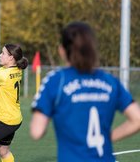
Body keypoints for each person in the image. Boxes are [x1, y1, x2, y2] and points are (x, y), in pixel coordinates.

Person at [30, 21, 140, 162]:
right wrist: (107, 137)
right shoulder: (110, 81)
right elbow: (137, 119)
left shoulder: (56, 80)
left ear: (62, 50)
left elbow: (36, 132)